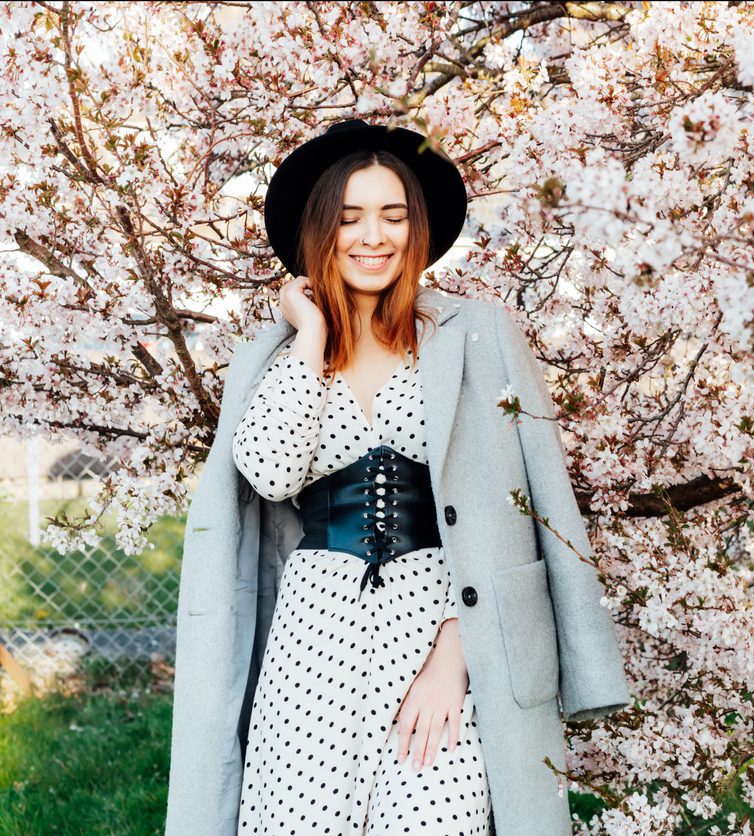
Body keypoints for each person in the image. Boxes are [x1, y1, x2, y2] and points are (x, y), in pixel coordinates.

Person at [165, 119, 632, 836]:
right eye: (350, 218)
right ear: (321, 231)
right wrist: (313, 336)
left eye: (393, 215)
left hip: (442, 628)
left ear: (419, 230)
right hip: (313, 639)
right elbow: (268, 471)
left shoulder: (478, 334)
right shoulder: (275, 355)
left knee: (436, 819)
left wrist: (455, 657)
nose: (372, 236)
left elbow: (533, 507)